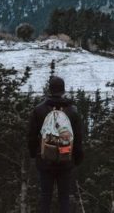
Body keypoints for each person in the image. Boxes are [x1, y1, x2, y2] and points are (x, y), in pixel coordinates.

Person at [28, 76, 84, 213]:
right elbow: (78, 137)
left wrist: (34, 154)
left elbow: (31, 136)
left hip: (45, 159)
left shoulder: (38, 110)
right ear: (63, 90)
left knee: (45, 196)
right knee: (64, 197)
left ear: (49, 89)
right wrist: (77, 158)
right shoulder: (72, 111)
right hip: (66, 159)